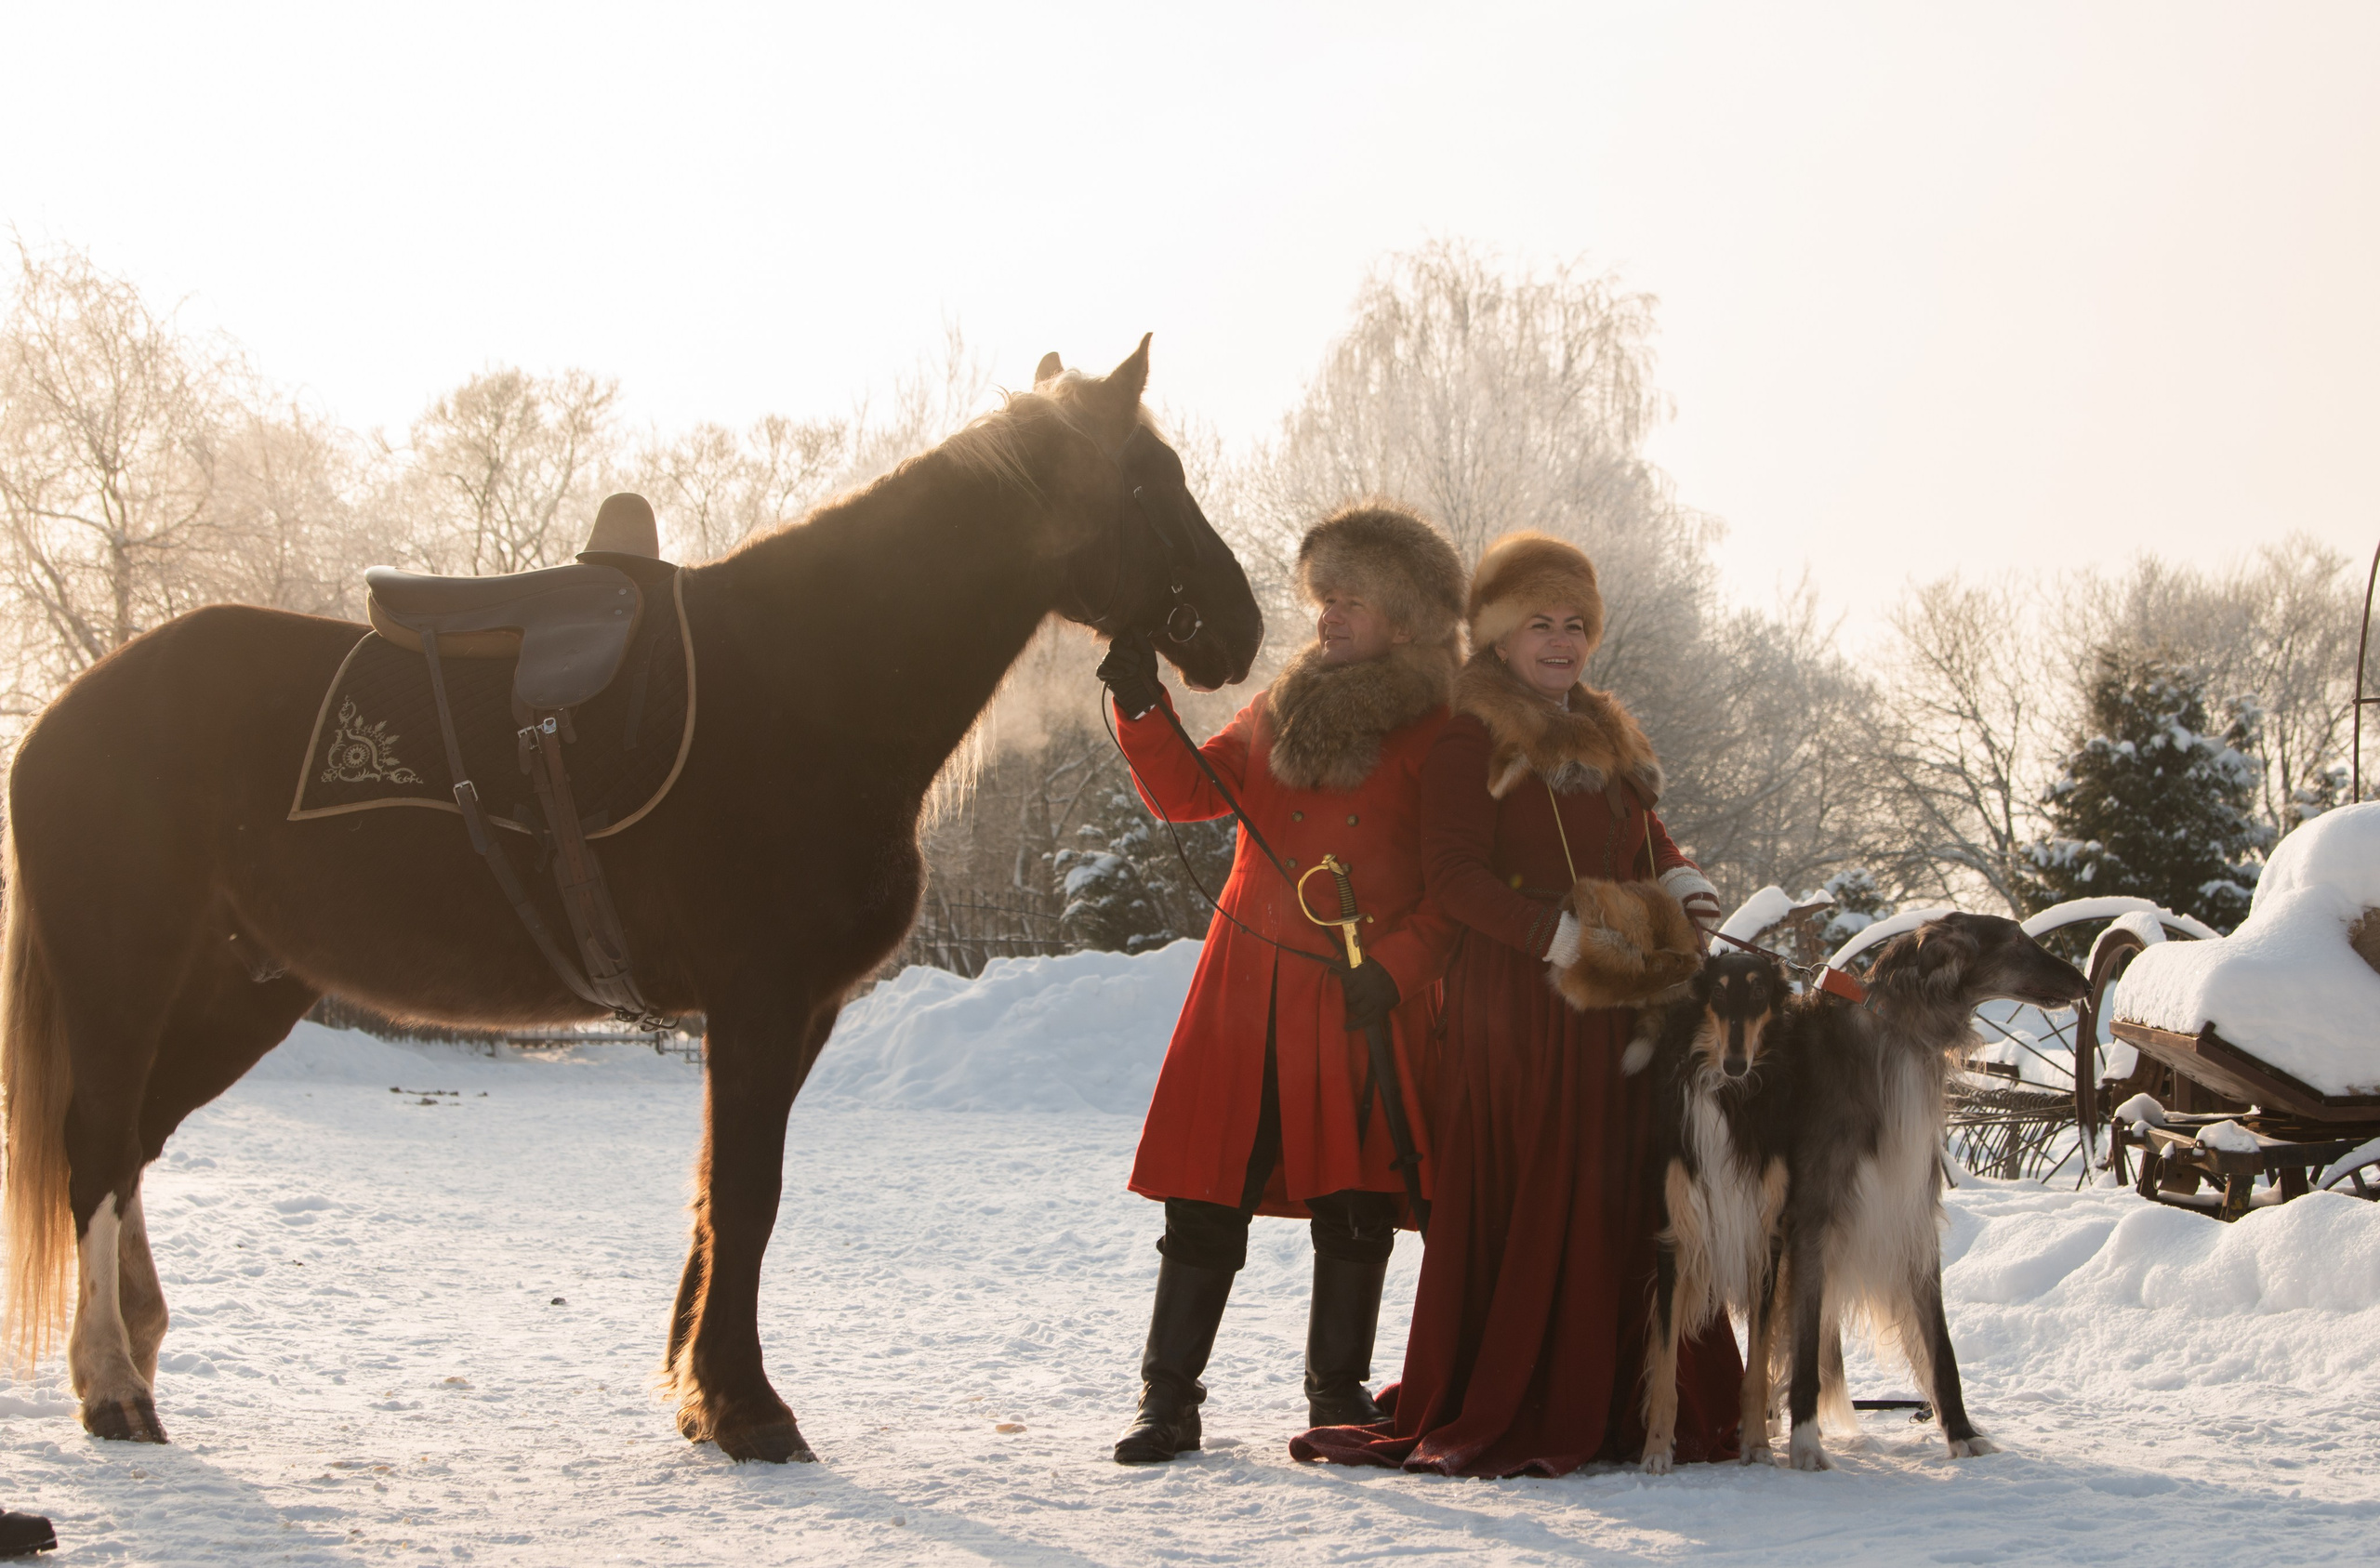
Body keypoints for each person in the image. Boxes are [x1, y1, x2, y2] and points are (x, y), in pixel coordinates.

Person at [1291, 531, 1739, 1478]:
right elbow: (1451, 877)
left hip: (1619, 1013)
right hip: (1520, 1012)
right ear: (1495, 633)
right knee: (1545, 1196)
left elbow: (1648, 836)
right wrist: (1557, 936)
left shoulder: (1608, 733)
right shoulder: (1472, 736)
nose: (1561, 640)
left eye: (1575, 623)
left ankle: (1632, 1399)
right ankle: (1531, 1395)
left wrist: (1681, 880)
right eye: (1539, 622)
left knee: (1627, 1198)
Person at [1098, 503, 1465, 1465]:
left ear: (1406, 618)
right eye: (1325, 597)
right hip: (1243, 989)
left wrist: (1396, 971)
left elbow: (1458, 892)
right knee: (1205, 1196)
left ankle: (1337, 1393)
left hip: (1358, 997)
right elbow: (1188, 794)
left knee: (1354, 1201)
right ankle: (1166, 1399)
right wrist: (1141, 708)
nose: (1328, 617)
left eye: (1352, 600)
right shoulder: (1280, 705)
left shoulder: (1443, 732)